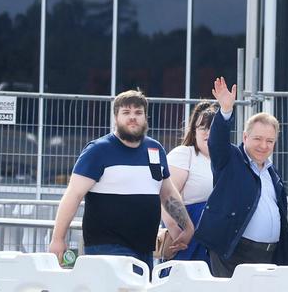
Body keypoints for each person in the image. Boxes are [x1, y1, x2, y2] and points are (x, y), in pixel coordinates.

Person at [49, 90, 192, 272]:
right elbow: (73, 195)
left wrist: (187, 227)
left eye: (138, 113)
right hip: (106, 248)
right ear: (116, 117)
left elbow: (168, 193)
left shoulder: (155, 150)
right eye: (126, 113)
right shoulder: (98, 151)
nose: (133, 118)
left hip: (144, 249)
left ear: (145, 117)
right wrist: (58, 239)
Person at [195, 77, 288, 276]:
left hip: (268, 256)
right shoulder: (230, 159)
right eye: (258, 139)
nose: (263, 145)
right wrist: (225, 111)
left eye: (269, 141)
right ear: (244, 137)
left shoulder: (272, 173)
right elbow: (216, 143)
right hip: (233, 253)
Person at [161, 101, 218, 265]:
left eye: (212, 128)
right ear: (194, 131)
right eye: (202, 128)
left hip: (217, 242)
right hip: (188, 236)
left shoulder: (228, 160)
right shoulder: (185, 154)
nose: (207, 133)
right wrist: (174, 229)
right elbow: (166, 195)